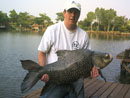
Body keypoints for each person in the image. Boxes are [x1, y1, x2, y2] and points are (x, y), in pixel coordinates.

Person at [38, 0, 99, 98]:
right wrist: (43, 70)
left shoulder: (83, 35)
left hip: (76, 80)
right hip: (55, 78)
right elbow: (41, 53)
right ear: (64, 13)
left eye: (76, 12)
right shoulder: (52, 30)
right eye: (70, 11)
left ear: (79, 14)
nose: (73, 15)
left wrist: (93, 70)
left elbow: (88, 59)